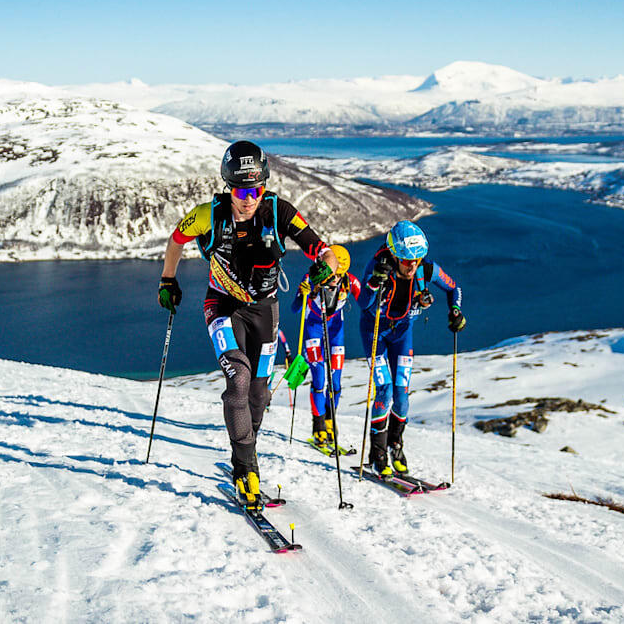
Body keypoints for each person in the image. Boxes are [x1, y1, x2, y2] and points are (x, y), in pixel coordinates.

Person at [158, 140, 339, 509]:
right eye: (241, 190)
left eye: (256, 189)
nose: (248, 198)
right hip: (221, 305)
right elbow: (176, 240)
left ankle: (244, 446)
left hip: (264, 310)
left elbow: (322, 249)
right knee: (237, 378)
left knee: (258, 394)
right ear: (229, 186)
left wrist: (325, 265)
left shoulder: (278, 211)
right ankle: (246, 469)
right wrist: (167, 280)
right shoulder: (208, 214)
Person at [358, 220, 464, 475]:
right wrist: (374, 282)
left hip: (403, 335)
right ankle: (377, 451)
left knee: (402, 397)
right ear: (394, 254)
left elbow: (453, 288)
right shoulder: (379, 266)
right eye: (406, 259)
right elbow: (363, 302)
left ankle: (396, 443)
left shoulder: (425, 271)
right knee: (384, 392)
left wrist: (456, 310)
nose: (411, 265)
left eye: (416, 259)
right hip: (375, 334)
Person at [290, 245, 361, 448]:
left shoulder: (349, 281)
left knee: (336, 382)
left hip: (335, 331)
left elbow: (367, 302)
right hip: (313, 329)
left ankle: (331, 420)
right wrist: (301, 294)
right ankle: (318, 425)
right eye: (331, 275)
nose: (334, 280)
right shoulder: (311, 278)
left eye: (339, 275)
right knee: (319, 379)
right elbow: (294, 308)